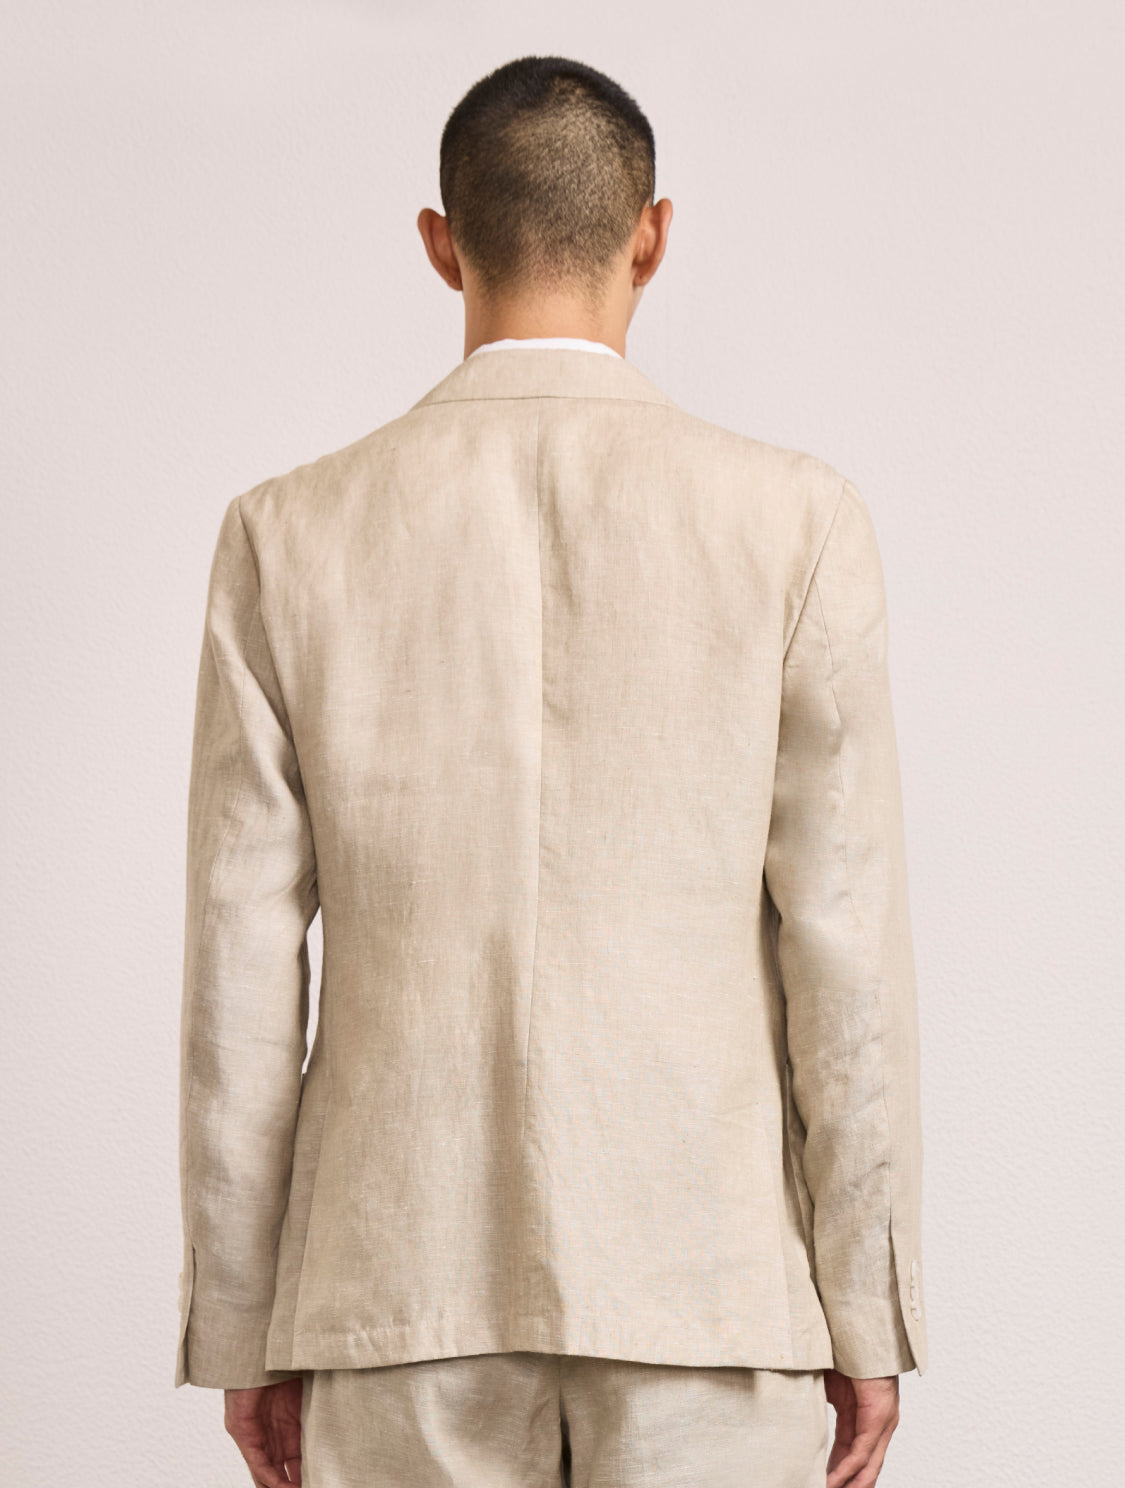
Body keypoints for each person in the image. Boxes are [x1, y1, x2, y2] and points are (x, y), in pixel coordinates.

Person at [174, 53, 929, 1488]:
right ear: (651, 236)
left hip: (390, 1290)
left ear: (440, 242)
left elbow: (240, 971)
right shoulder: (796, 522)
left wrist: (241, 1327)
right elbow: (843, 956)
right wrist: (865, 1306)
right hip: (707, 1286)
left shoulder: (286, 534)